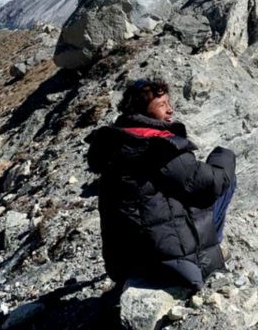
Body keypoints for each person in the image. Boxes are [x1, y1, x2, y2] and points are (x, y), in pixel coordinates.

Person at [87, 77, 236, 291]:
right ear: (142, 111)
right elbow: (210, 183)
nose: (170, 110)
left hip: (126, 262)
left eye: (168, 103)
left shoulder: (119, 140)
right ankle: (209, 254)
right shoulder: (155, 146)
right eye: (161, 105)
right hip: (165, 263)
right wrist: (225, 156)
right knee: (223, 183)